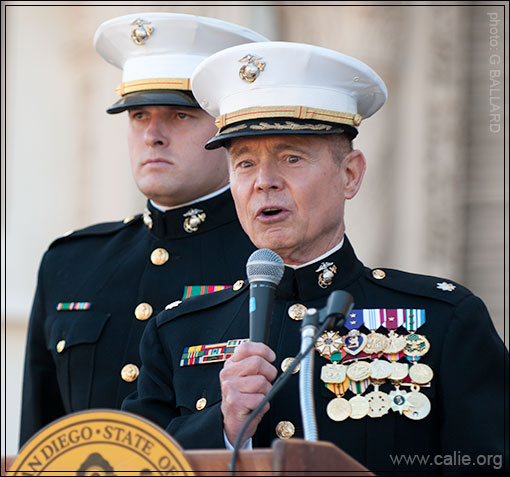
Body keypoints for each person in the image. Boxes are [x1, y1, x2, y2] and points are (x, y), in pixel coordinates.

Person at [121, 41, 508, 473]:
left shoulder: (445, 319)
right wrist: (224, 426)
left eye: (291, 158)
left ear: (349, 174)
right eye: (245, 164)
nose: (264, 182)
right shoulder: (178, 331)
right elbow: (137, 464)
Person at [19, 12, 268, 447]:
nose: (152, 134)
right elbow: (39, 440)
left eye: (179, 115)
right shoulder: (71, 262)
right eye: (138, 115)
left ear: (227, 128)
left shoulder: (268, 261)